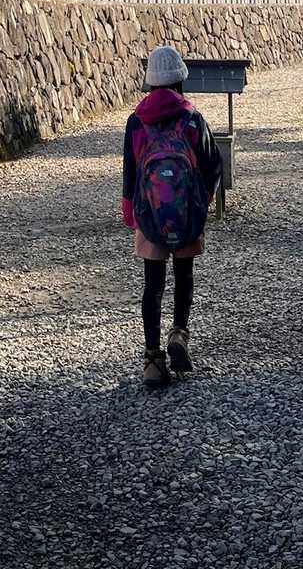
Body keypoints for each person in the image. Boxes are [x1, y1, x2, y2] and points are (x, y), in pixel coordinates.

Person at [122, 45, 223, 389]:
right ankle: (179, 332)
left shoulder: (136, 121)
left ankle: (153, 360)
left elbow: (130, 170)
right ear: (180, 80)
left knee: (152, 285)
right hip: (186, 212)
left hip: (150, 213)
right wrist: (202, 202)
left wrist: (130, 213)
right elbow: (213, 165)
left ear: (150, 82)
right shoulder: (192, 118)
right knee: (183, 275)